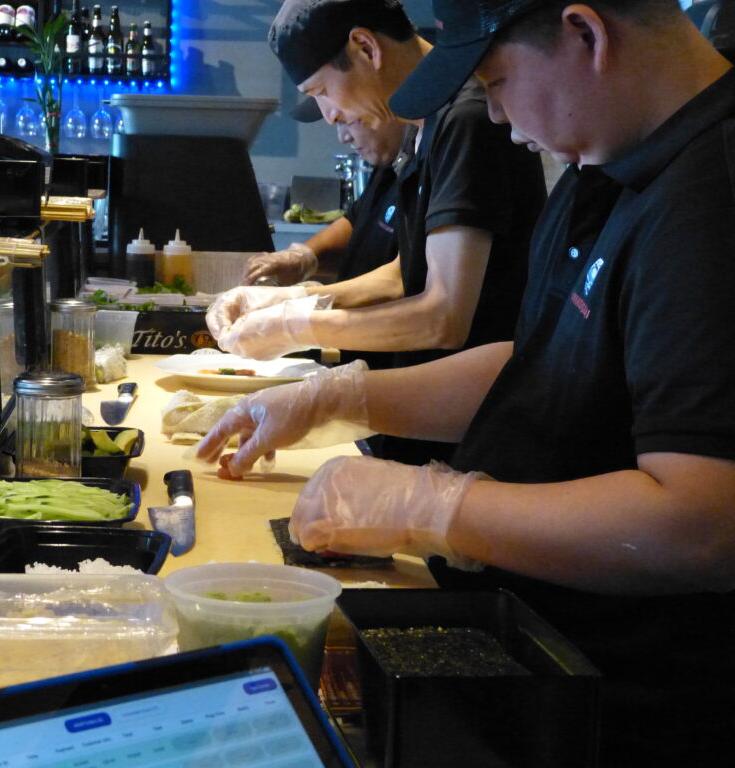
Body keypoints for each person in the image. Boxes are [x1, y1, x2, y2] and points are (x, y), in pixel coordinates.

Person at [198, 0, 735, 763]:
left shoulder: (712, 195)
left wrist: (440, 504)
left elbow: (702, 524)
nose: (510, 129)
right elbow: (535, 367)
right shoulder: (606, 168)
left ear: (587, 33)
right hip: (534, 656)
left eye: (501, 81)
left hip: (641, 711)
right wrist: (334, 397)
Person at [208, 0, 546, 373]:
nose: (329, 115)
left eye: (320, 90)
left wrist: (299, 327)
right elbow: (404, 273)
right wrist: (295, 299)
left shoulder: (466, 118)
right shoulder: (420, 125)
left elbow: (443, 316)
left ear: (366, 48)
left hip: (470, 412)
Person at [243, 108, 406, 287]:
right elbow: (356, 222)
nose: (343, 137)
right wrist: (303, 256)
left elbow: (397, 284)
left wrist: (308, 297)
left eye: (346, 120)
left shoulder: (428, 163)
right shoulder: (388, 163)